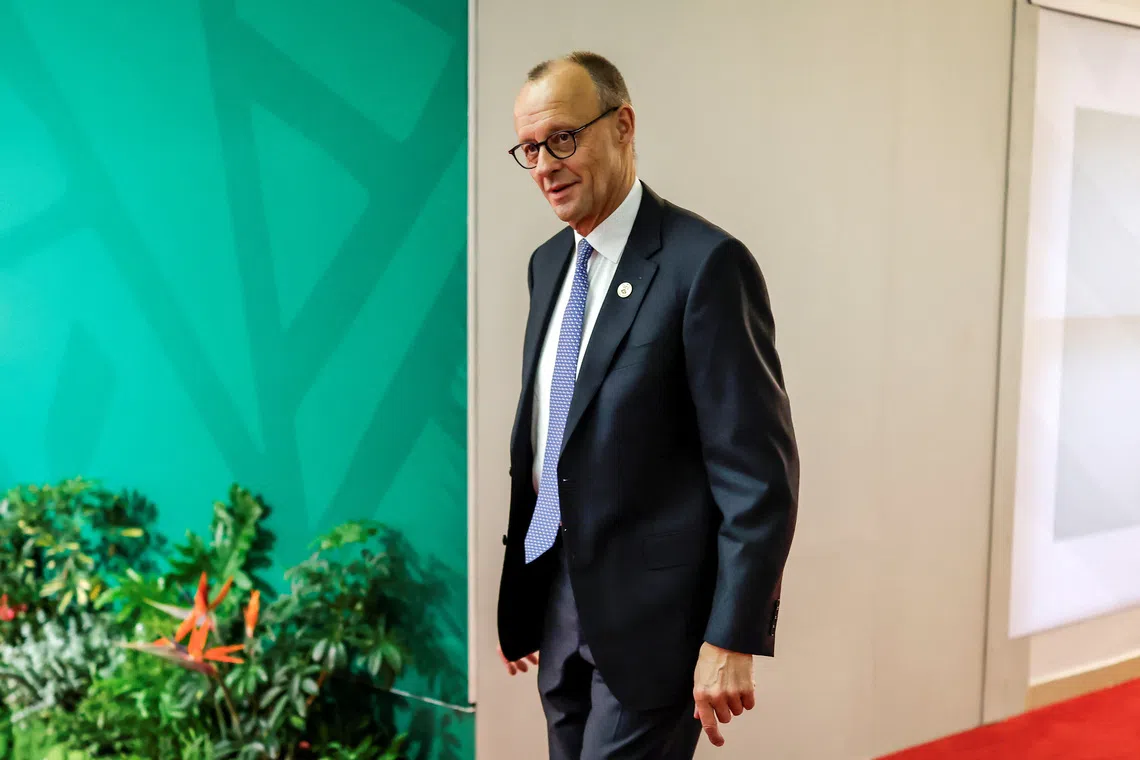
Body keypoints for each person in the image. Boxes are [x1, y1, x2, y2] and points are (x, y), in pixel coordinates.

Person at [495, 51, 799, 760]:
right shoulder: (548, 264)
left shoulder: (706, 266)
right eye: (530, 148)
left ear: (623, 125)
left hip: (657, 624)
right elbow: (549, 440)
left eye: (563, 138)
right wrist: (529, 590)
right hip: (560, 600)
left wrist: (732, 634)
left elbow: (757, 475)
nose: (544, 164)